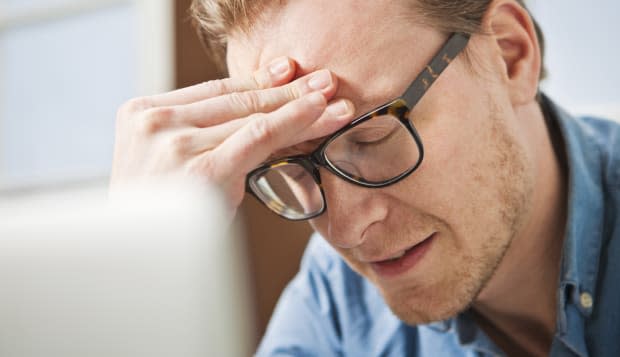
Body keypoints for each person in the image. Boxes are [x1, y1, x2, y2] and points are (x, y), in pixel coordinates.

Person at [111, 0, 620, 355]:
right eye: (292, 167)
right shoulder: (337, 302)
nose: (345, 231)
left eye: (373, 137)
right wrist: (136, 285)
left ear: (510, 55)